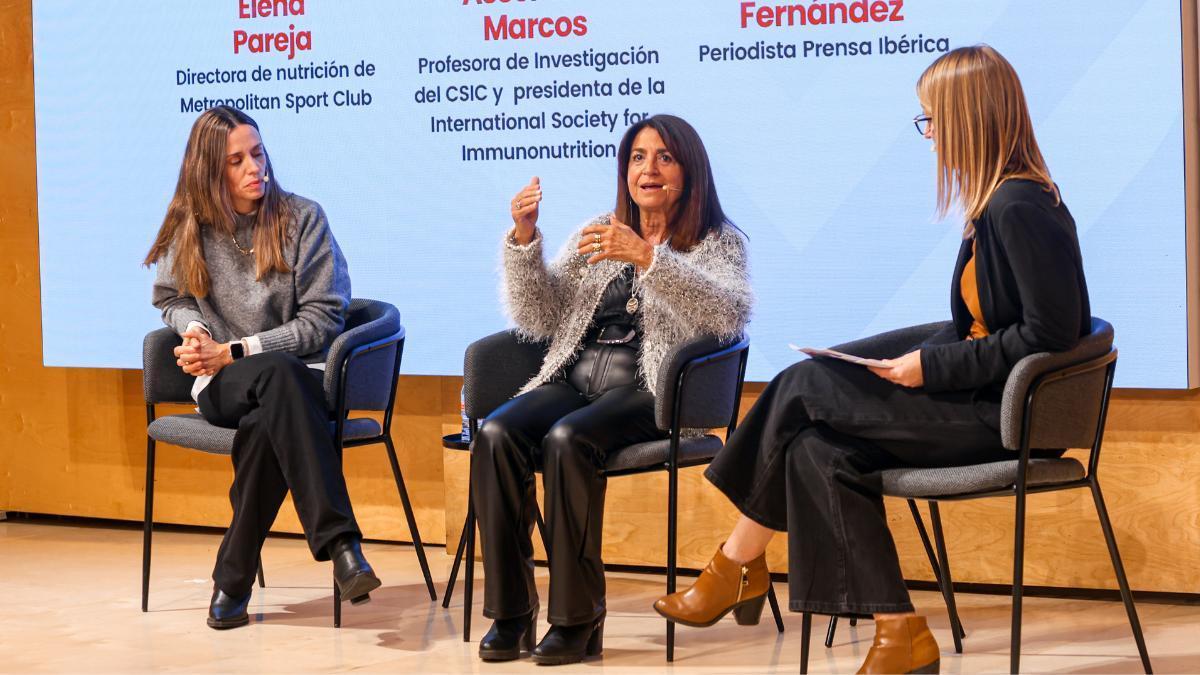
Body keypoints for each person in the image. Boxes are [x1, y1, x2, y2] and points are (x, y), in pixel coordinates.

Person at [654, 45, 1092, 675]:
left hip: (1004, 419)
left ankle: (735, 562)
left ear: (969, 117)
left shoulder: (1019, 206)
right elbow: (977, 327)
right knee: (815, 451)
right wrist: (903, 358)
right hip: (982, 401)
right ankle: (900, 633)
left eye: (933, 119)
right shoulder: (996, 204)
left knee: (801, 386)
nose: (930, 134)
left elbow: (1050, 337)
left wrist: (930, 370)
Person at [472, 114, 752, 665]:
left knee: (566, 441)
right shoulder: (599, 229)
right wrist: (524, 241)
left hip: (655, 391)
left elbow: (728, 314)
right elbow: (540, 315)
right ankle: (512, 613)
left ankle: (577, 621)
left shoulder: (718, 241)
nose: (649, 169)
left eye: (664, 157)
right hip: (576, 378)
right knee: (498, 432)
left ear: (689, 170)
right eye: (638, 158)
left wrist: (649, 259)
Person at [145, 106, 377, 630]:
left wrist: (240, 348)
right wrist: (195, 329)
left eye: (258, 152)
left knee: (272, 408)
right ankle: (341, 543)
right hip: (221, 382)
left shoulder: (302, 219)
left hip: (292, 377)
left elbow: (323, 319)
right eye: (236, 160)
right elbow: (170, 296)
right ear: (209, 171)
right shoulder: (191, 227)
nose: (255, 167)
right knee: (278, 379)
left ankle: (232, 580)